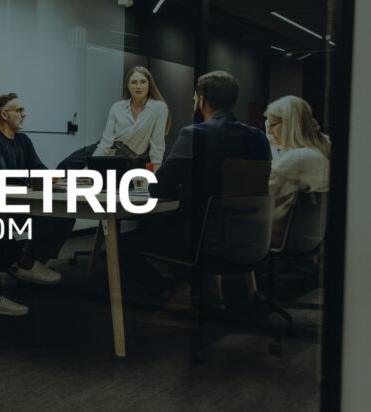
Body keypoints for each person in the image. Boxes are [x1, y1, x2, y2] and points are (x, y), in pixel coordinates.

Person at [119, 71, 271, 314]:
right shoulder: (259, 138)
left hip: (206, 240)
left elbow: (159, 187)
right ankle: (192, 291)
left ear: (201, 100)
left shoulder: (195, 134)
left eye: (193, 100)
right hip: (252, 238)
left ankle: (170, 296)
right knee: (180, 223)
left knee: (121, 246)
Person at [0, 92, 76, 316]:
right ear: (3, 115)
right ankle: (14, 273)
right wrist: (34, 180)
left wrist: (55, 179)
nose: (24, 114)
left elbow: (39, 168)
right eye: (19, 110)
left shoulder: (23, 140)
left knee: (66, 212)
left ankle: (30, 264)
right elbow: (2, 177)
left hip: (22, 205)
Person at [243, 95, 331, 300]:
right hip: (312, 236)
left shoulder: (295, 159)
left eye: (273, 125)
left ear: (290, 124)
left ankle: (238, 298)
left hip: (282, 236)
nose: (269, 131)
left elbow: (260, 195)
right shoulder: (319, 152)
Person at [58, 66, 171, 170]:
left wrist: (156, 173)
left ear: (149, 85)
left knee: (96, 179)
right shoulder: (118, 107)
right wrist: (91, 165)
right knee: (65, 166)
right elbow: (106, 142)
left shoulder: (159, 108)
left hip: (126, 159)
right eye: (134, 82)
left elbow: (157, 146)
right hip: (105, 149)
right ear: (128, 86)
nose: (138, 86)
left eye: (143, 82)